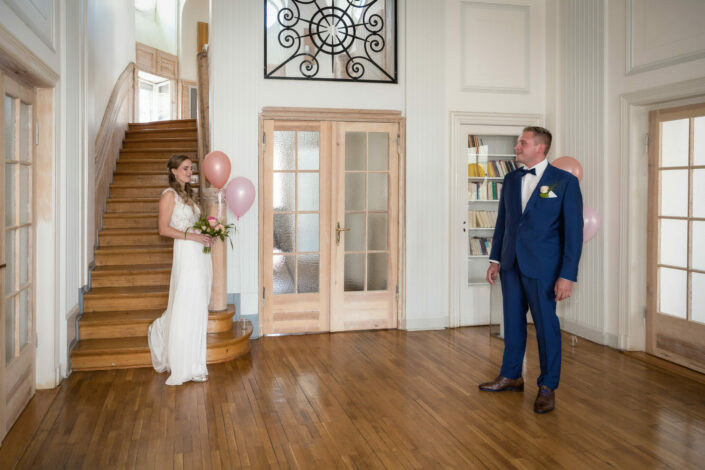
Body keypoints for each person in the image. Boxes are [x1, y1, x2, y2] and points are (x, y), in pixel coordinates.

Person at [478, 127, 583, 414]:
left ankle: (548, 386)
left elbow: (573, 233)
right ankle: (511, 375)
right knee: (512, 323)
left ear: (540, 147)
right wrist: (495, 259)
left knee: (546, 327)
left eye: (522, 142)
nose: (517, 146)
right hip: (511, 264)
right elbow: (504, 223)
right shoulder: (511, 179)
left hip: (545, 269)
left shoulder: (564, 183)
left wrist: (567, 275)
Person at [149, 154, 212, 385]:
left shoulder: (190, 197)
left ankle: (196, 363)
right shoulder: (169, 195)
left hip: (199, 254)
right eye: (185, 168)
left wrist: (206, 236)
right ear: (174, 171)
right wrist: (192, 236)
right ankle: (183, 364)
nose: (189, 172)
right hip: (186, 254)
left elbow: (195, 227)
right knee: (186, 305)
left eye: (191, 168)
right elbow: (163, 229)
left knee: (198, 306)